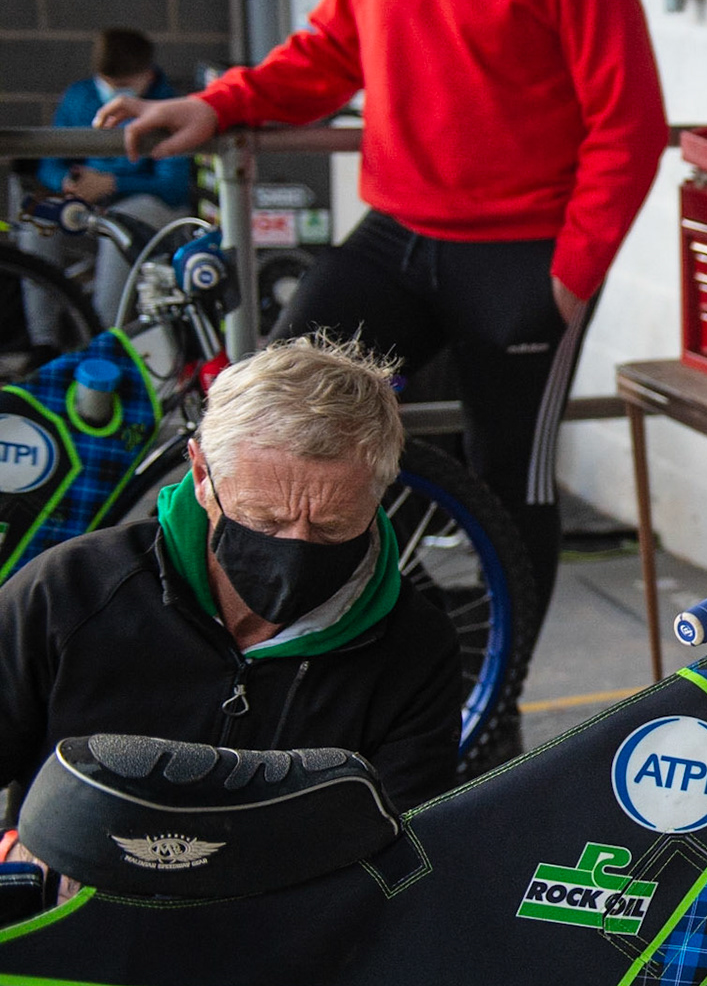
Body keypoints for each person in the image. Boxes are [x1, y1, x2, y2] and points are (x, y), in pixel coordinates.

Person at [95, 0, 670, 639]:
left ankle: (496, 703)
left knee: (510, 481)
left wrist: (568, 279)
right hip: (397, 232)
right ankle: (395, 616)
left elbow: (626, 128)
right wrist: (216, 103)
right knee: (280, 400)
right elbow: (328, 54)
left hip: (521, 254)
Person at [0, 337, 464, 811]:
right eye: (263, 520)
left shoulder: (416, 650)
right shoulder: (70, 593)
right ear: (203, 476)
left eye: (332, 526)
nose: (295, 549)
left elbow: (405, 853)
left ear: (379, 494)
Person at [19, 27, 193, 345]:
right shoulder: (79, 96)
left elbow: (174, 186)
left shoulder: (170, 104)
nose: (113, 95)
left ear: (147, 74)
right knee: (38, 220)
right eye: (107, 86)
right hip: (86, 202)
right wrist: (68, 183)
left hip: (146, 205)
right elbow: (49, 163)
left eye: (124, 87)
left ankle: (100, 339)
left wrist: (113, 183)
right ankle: (42, 342)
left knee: (119, 225)